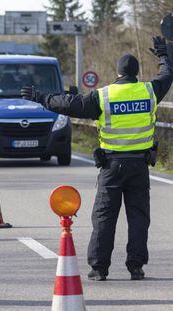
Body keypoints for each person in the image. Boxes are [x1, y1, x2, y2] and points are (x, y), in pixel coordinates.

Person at [22, 36, 173, 281]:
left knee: (104, 218)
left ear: (117, 72)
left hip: (112, 167)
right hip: (139, 166)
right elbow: (167, 74)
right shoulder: (150, 91)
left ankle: (99, 268)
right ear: (136, 72)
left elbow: (70, 104)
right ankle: (136, 266)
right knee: (138, 218)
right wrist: (164, 54)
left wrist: (41, 98)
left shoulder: (103, 97)